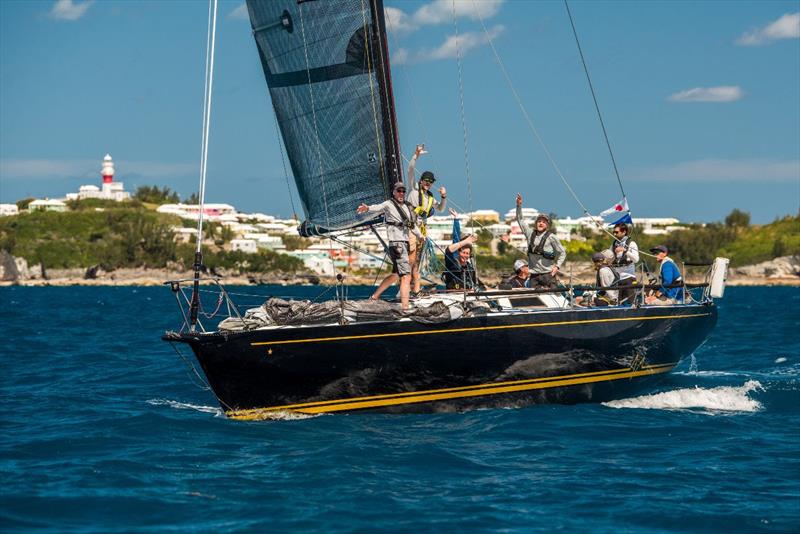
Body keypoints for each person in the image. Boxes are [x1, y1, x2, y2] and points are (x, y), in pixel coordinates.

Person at [357, 182, 423, 310]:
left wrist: (420, 235)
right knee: (406, 276)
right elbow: (378, 207)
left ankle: (374, 297)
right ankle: (405, 308)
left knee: (396, 274)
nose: (401, 193)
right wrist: (367, 208)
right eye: (399, 190)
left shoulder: (407, 207)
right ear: (394, 192)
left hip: (405, 243)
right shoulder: (388, 204)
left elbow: (411, 225)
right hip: (396, 244)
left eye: (403, 191)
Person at [406, 144, 447, 294]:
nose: (428, 183)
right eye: (426, 181)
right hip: (411, 227)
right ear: (421, 180)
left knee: (417, 261)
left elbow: (441, 209)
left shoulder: (430, 197)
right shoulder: (413, 189)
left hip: (422, 231)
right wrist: (416, 155)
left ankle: (415, 289)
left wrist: (443, 197)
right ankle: (408, 286)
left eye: (431, 182)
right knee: (411, 259)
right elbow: (410, 170)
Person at [515, 193, 566, 289]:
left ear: (547, 225)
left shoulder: (552, 237)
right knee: (536, 299)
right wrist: (519, 205)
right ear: (536, 223)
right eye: (539, 221)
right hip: (534, 276)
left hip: (548, 274)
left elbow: (562, 253)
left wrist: (557, 267)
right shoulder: (529, 234)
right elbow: (520, 220)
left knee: (554, 294)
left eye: (544, 222)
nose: (541, 223)